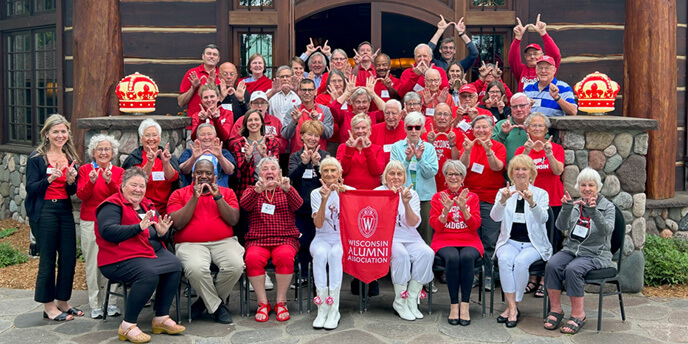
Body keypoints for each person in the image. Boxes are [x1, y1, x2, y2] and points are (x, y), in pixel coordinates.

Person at [96, 167, 185, 342]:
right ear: (122, 186)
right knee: (148, 273)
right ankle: (127, 325)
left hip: (148, 252)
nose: (138, 189)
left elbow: (160, 234)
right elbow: (107, 231)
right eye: (133, 185)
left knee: (175, 265)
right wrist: (138, 227)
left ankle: (161, 318)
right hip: (118, 256)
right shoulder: (111, 205)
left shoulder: (148, 205)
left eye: (142, 186)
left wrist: (162, 232)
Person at [168, 159, 243, 324]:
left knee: (236, 265)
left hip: (224, 242)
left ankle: (203, 303)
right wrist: (194, 198)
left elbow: (233, 220)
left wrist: (218, 197)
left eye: (208, 173)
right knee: (196, 269)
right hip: (190, 244)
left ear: (214, 176)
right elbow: (178, 224)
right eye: (199, 172)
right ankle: (217, 307)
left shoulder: (227, 192)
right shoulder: (179, 194)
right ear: (193, 175)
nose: (204, 176)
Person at [544, 167, 616, 334]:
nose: (587, 189)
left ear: (598, 187)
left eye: (591, 185)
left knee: (573, 269)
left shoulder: (608, 207)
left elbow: (606, 231)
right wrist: (567, 208)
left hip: (596, 253)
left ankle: (579, 315)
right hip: (572, 250)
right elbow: (561, 226)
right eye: (583, 185)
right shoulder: (576, 205)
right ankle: (556, 310)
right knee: (552, 264)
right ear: (578, 187)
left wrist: (593, 212)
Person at [26, 114, 81, 321]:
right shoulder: (36, 158)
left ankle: (63, 301)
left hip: (64, 210)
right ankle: (48, 306)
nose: (60, 135)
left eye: (63, 131)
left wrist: (69, 180)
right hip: (45, 211)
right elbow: (31, 189)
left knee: (68, 257)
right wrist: (49, 179)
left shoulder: (70, 156)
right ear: (46, 134)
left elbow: (73, 190)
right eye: (55, 131)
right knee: (48, 259)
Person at [490, 155, 552, 328]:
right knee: (504, 260)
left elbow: (543, 219)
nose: (520, 172)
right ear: (511, 173)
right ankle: (512, 308)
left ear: (531, 173)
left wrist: (532, 202)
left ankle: (512, 307)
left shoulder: (540, 194)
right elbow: (495, 217)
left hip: (534, 244)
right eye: (516, 169)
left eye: (524, 169)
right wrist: (502, 200)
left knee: (520, 262)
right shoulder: (503, 192)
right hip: (510, 242)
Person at [240, 157, 304, 322]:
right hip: (257, 240)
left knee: (285, 257)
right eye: (265, 168)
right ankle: (263, 303)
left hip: (285, 239)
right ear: (259, 173)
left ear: (279, 173)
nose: (269, 172)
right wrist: (257, 192)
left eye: (273, 168)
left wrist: (288, 189)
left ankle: (281, 302)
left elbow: (299, 206)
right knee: (252, 258)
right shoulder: (251, 190)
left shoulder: (286, 189)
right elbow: (244, 206)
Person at [376, 161, 434, 321]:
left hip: (409, 236)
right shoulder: (378, 192)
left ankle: (412, 299)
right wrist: (390, 198)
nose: (395, 177)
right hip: (387, 237)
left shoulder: (411, 193)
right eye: (392, 173)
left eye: (399, 174)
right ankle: (400, 301)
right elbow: (375, 221)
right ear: (385, 176)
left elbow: (413, 223)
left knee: (427, 253)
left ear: (404, 177)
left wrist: (406, 203)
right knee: (401, 255)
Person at [429, 160, 482, 326]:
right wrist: (445, 210)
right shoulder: (438, 197)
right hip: (444, 238)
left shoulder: (472, 197)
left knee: (466, 257)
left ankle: (464, 304)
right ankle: (453, 305)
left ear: (462, 177)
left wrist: (464, 208)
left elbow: (475, 225)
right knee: (452, 258)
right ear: (445, 177)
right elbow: (436, 226)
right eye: (449, 173)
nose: (453, 177)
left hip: (469, 239)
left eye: (457, 174)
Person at [77, 134, 124, 319]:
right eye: (99, 149)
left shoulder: (119, 172)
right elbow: (81, 195)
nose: (103, 153)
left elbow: (120, 196)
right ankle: (95, 303)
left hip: (112, 221)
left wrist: (108, 181)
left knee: (113, 259)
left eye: (107, 149)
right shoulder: (85, 170)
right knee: (92, 262)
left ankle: (110, 303)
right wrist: (92, 181)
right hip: (90, 219)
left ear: (112, 153)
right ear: (93, 153)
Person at [454, 115, 506, 280]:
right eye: (478, 127)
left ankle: (489, 275)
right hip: (470, 200)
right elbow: (463, 166)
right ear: (473, 130)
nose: (481, 130)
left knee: (489, 240)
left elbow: (497, 167)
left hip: (491, 200)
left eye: (485, 127)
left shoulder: (498, 146)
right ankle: (474, 274)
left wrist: (489, 151)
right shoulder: (468, 145)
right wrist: (467, 151)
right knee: (472, 238)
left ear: (491, 130)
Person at [310, 157, 351, 329]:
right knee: (320, 254)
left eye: (333, 170)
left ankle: (334, 308)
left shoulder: (350, 191)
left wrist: (344, 195)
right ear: (321, 174)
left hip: (343, 238)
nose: (329, 174)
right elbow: (318, 224)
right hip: (322, 237)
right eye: (325, 170)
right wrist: (325, 199)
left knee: (335, 255)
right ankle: (322, 308)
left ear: (340, 173)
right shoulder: (315, 193)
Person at [289, 120, 329, 287]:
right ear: (302, 136)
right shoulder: (295, 157)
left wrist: (319, 165)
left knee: (321, 242)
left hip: (320, 209)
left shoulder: (325, 156)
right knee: (304, 242)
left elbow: (330, 180)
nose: (312, 138)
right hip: (300, 208)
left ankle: (320, 277)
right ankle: (304, 274)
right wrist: (304, 164)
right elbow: (292, 179)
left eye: (316, 135)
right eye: (309, 134)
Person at [390, 111, 439, 245]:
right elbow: (393, 174)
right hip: (403, 196)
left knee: (426, 236)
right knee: (401, 233)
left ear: (422, 129)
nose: (413, 131)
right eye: (410, 127)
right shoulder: (396, 147)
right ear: (405, 128)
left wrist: (419, 158)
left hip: (425, 197)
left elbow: (431, 173)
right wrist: (407, 159)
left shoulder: (429, 148)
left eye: (417, 127)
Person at [122, 118, 180, 215]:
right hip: (140, 208)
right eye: (147, 135)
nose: (151, 139)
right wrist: (149, 162)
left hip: (165, 209)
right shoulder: (134, 158)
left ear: (160, 138)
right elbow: (137, 180)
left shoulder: (166, 156)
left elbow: (173, 178)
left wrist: (165, 162)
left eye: (154, 135)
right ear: (141, 139)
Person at [229, 109, 280, 199]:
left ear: (261, 123)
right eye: (250, 120)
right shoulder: (239, 144)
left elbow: (275, 167)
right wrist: (248, 157)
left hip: (268, 187)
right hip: (247, 188)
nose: (253, 123)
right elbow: (241, 170)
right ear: (245, 124)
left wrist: (264, 155)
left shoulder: (271, 143)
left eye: (256, 119)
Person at [509, 14, 561, 92]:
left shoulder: (547, 70)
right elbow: (512, 59)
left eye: (536, 53)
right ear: (525, 57)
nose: (532, 56)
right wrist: (518, 38)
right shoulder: (521, 70)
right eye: (529, 55)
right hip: (524, 103)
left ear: (542, 55)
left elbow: (555, 55)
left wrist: (543, 33)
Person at [282, 78, 335, 153]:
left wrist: (318, 121)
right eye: (304, 90)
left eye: (310, 90)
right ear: (299, 92)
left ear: (315, 92)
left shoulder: (325, 110)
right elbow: (285, 135)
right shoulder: (292, 111)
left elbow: (328, 134)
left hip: (319, 157)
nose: (307, 93)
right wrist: (294, 122)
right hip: (297, 158)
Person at [336, 113, 385, 190]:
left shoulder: (378, 149)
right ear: (352, 131)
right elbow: (341, 171)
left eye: (363, 128)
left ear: (369, 130)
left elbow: (377, 172)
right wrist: (349, 150)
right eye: (357, 128)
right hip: (348, 192)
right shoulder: (343, 147)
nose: (360, 131)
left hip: (371, 192)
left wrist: (367, 149)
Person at [421, 103, 464, 191]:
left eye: (445, 114)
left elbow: (458, 161)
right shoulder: (426, 136)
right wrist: (430, 144)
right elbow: (421, 160)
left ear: (451, 118)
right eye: (439, 114)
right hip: (429, 183)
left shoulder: (459, 135)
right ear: (434, 117)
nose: (442, 117)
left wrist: (452, 144)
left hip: (450, 183)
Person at [179, 123, 236, 188]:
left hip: (219, 192)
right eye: (202, 135)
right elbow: (183, 170)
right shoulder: (189, 152)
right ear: (197, 138)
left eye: (209, 134)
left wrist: (220, 157)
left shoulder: (224, 153)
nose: (206, 137)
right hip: (194, 192)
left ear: (215, 137)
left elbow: (230, 171)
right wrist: (193, 158)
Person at [331, 76, 385, 143]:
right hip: (348, 150)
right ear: (352, 103)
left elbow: (387, 111)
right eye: (358, 102)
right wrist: (347, 93)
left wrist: (373, 94)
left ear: (369, 103)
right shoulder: (345, 116)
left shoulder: (374, 115)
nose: (361, 105)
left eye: (364, 102)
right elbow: (332, 108)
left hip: (370, 151)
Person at [178, 44, 221, 111]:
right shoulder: (192, 73)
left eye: (215, 55)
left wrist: (213, 86)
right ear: (203, 56)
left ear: (218, 59)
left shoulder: (222, 75)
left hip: (217, 118)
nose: (211, 56)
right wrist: (193, 88)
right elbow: (181, 103)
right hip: (196, 118)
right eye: (209, 54)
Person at [492, 93, 532, 161]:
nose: (518, 109)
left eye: (522, 106)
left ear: (529, 107)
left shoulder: (537, 124)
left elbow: (544, 145)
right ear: (511, 109)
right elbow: (490, 147)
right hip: (505, 170)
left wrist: (531, 133)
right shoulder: (500, 125)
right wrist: (503, 134)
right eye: (515, 107)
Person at [370, 99, 407, 164]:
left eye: (394, 113)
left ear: (401, 114)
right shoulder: (373, 130)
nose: (390, 116)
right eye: (387, 113)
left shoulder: (408, 129)